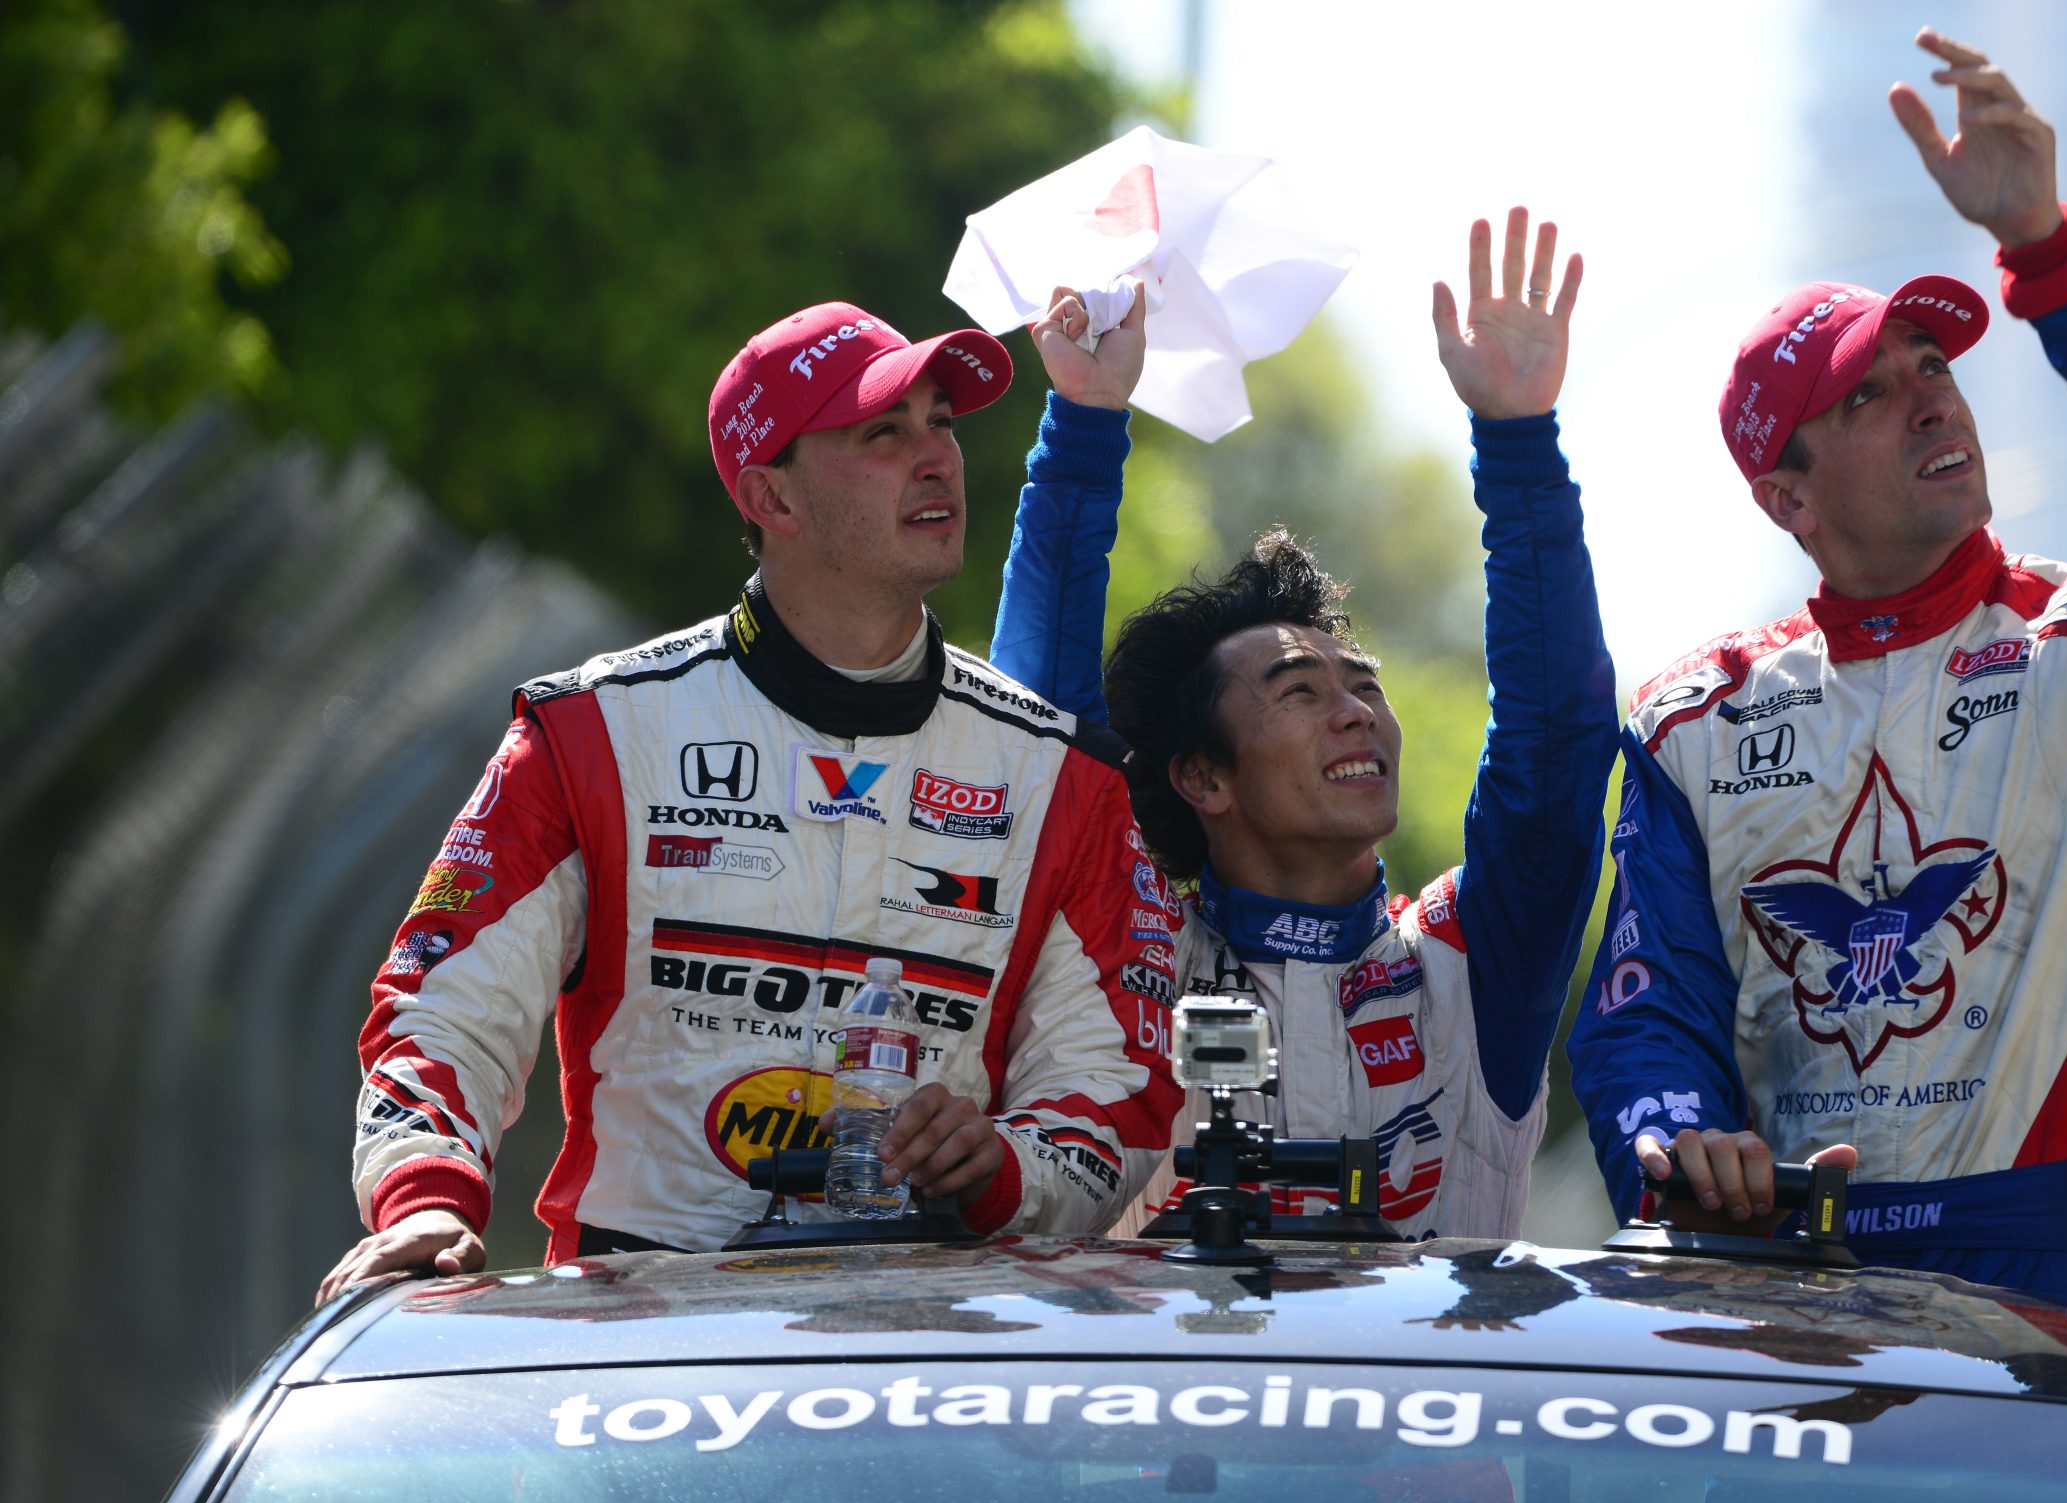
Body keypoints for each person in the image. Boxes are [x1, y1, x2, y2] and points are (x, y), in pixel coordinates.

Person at [1569, 29, 2067, 1301]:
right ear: (1784, 498)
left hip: (2049, 1302)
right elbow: (1648, 1016)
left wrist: (2058, 263)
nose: (1933, 397)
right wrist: (1673, 1135)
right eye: (1865, 396)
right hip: (1786, 1297)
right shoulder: (1692, 720)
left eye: (1931, 365)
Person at [318, 300, 1181, 1300]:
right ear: (773, 497)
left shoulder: (1060, 775)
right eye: (882, 433)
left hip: (935, 1357)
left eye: (941, 421)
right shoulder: (593, 733)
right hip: (643, 1339)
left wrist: (1004, 1167)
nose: (937, 456)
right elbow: (441, 1013)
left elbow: (1117, 1088)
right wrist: (427, 1200)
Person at [986, 210, 1617, 1241]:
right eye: (1297, 691)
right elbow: (1041, 746)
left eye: (1362, 684)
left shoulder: (1471, 960)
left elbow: (1556, 745)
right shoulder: (1134, 953)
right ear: (1203, 778)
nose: (1355, 711)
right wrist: (1085, 419)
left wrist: (1518, 447)